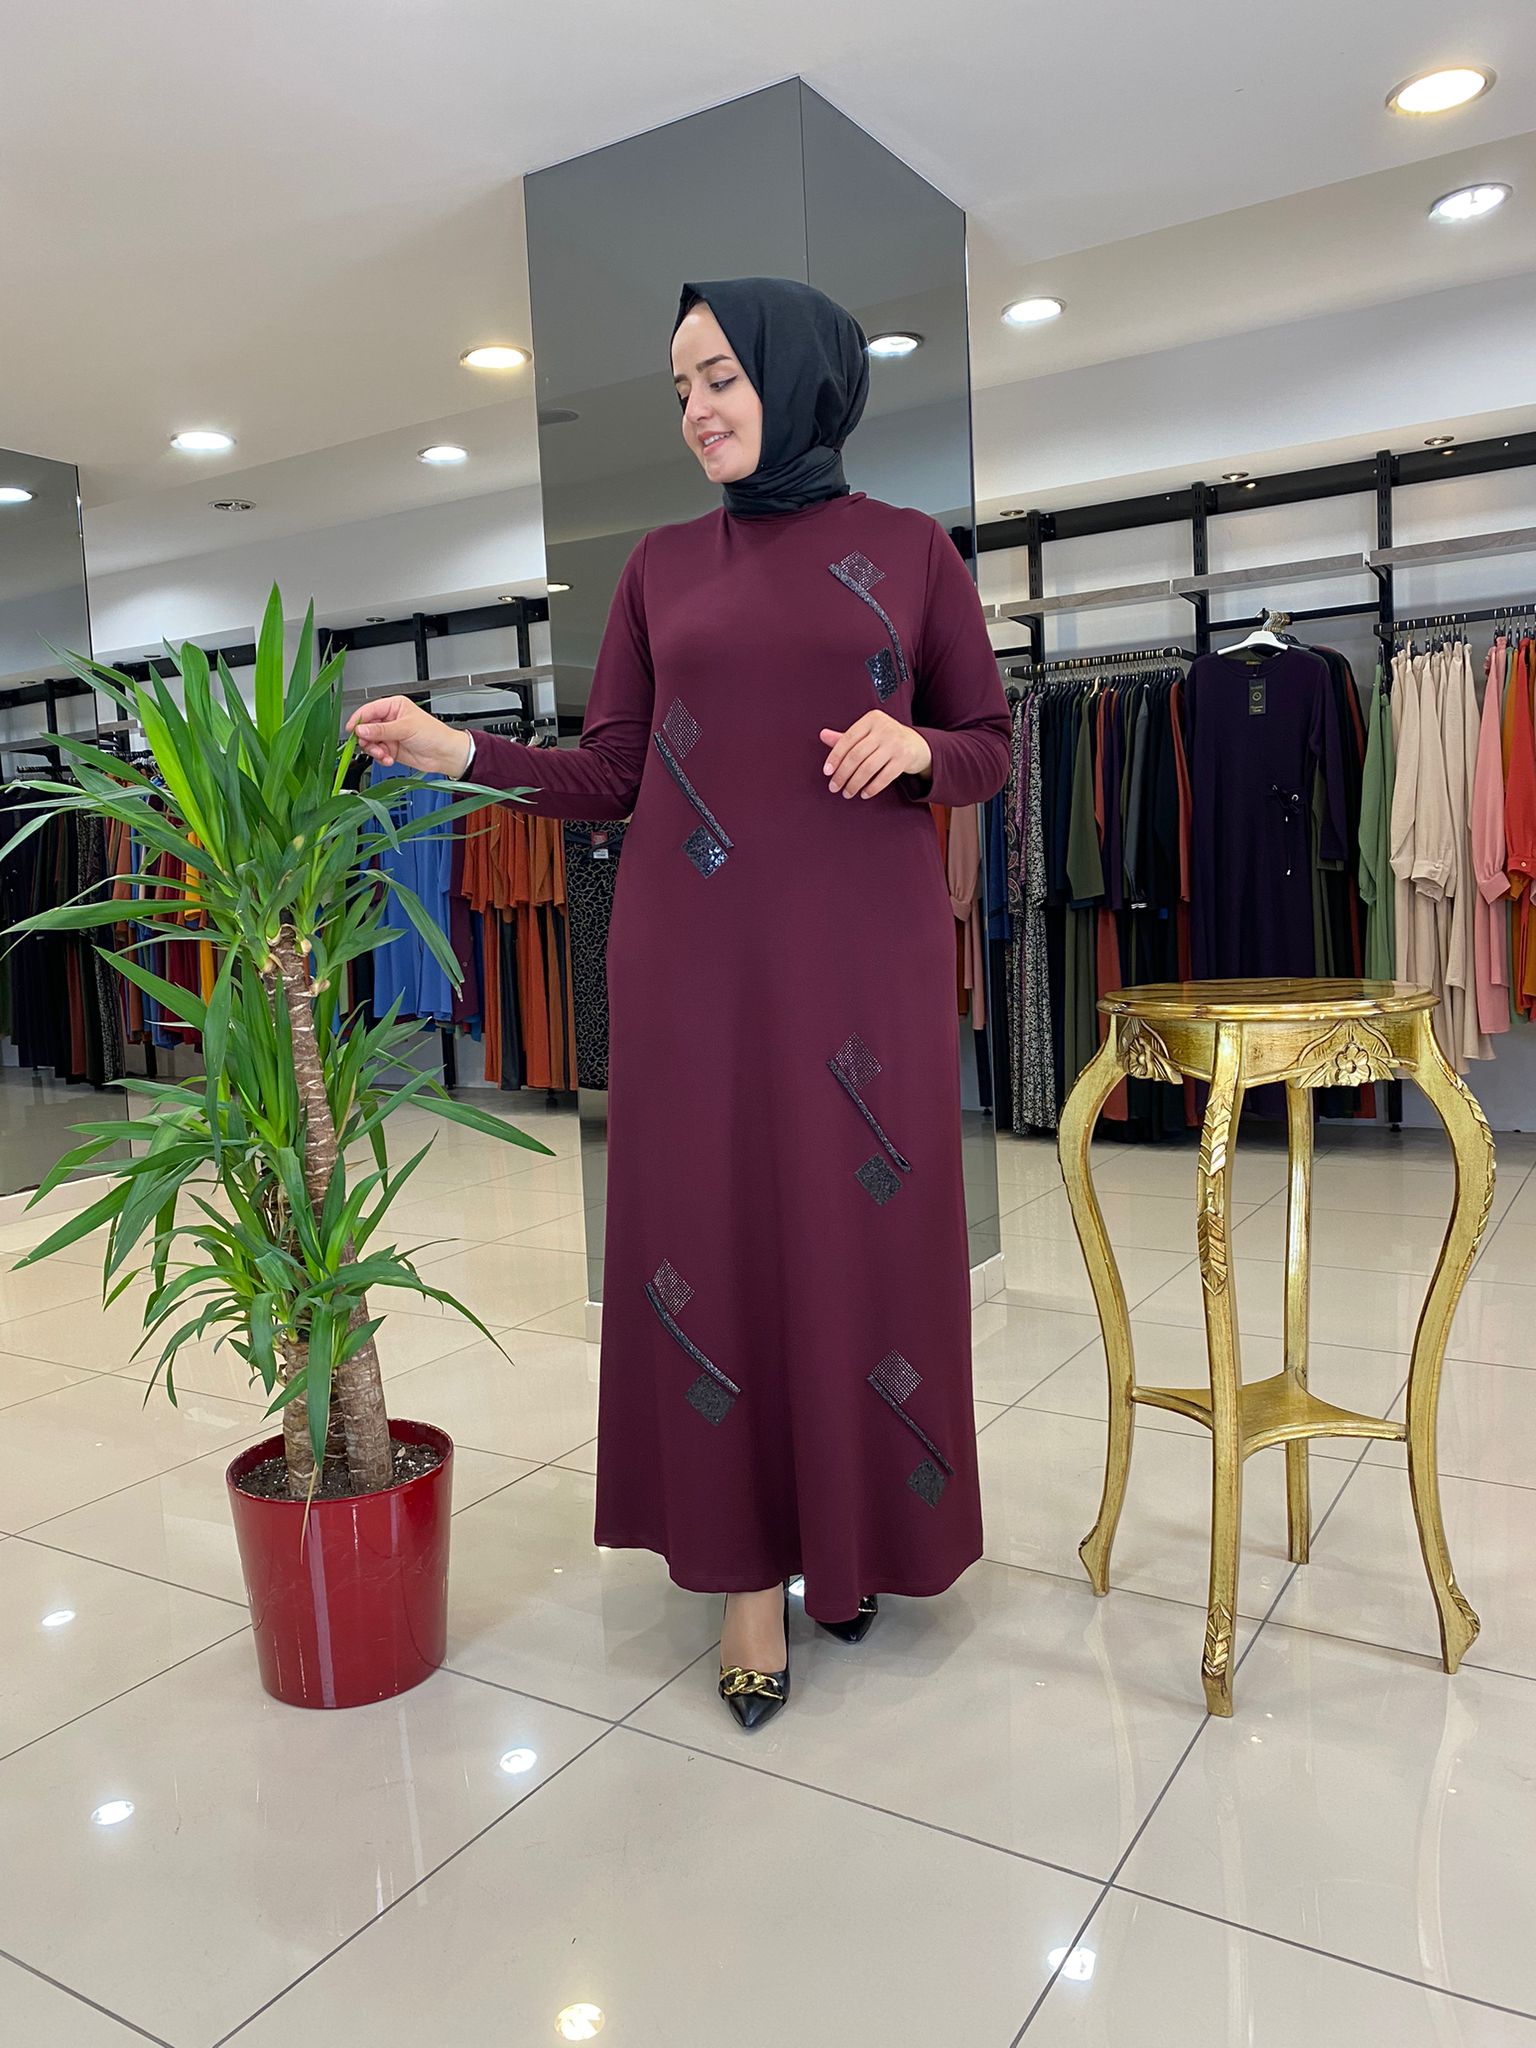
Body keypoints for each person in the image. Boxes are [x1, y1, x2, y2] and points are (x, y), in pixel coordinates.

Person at [348, 276, 1011, 1729]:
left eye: (721, 377)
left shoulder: (912, 551)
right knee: (713, 1236)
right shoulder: (658, 567)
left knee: (855, 1232)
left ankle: (849, 1538)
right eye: (681, 390)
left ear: (795, 378)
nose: (699, 410)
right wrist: (463, 754)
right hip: (694, 958)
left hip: (864, 960)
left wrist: (918, 750)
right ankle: (743, 1579)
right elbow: (615, 773)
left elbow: (989, 742)